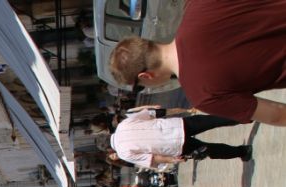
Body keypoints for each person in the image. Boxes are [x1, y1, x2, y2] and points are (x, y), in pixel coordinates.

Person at [107, 0, 286, 127]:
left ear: (146, 76)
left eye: (140, 86)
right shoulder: (198, 5)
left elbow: (277, 114)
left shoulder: (201, 95)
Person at [109, 110, 251, 169]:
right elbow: (151, 114)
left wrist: (172, 160)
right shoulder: (123, 124)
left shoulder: (123, 153)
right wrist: (173, 111)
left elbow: (153, 158)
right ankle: (244, 115)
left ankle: (242, 151)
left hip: (173, 146)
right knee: (211, 121)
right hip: (175, 125)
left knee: (210, 149)